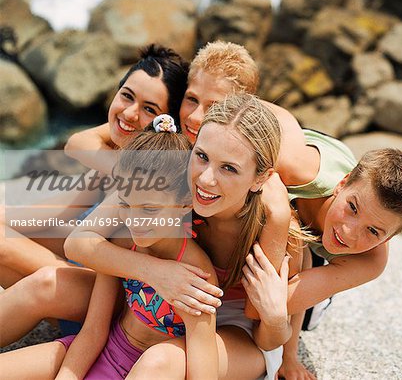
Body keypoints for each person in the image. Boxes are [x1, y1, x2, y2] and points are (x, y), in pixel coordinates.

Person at [62, 94, 292, 379]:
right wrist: (157, 272)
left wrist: (277, 319)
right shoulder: (173, 179)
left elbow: (265, 337)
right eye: (203, 156)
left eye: (229, 168)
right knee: (46, 284)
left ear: (260, 178)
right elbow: (78, 241)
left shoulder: (270, 217)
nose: (206, 179)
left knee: (159, 362)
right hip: (174, 312)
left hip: (237, 333)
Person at [0, 114, 219, 379]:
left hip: (141, 371)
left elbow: (202, 373)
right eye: (125, 204)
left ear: (185, 205)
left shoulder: (197, 277)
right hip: (94, 351)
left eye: (149, 209)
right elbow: (93, 330)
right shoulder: (122, 243)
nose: (134, 221)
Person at [0, 43, 189, 289]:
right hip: (85, 264)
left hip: (114, 291)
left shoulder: (148, 180)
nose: (130, 113)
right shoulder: (119, 157)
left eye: (149, 109)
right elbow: (61, 208)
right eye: (127, 96)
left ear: (166, 124)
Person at [242, 148, 402, 380]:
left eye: (373, 231)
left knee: (297, 258)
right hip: (305, 181)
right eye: (352, 207)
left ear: (389, 239)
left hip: (315, 251)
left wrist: (289, 355)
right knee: (292, 237)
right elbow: (191, 150)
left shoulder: (371, 260)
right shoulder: (296, 166)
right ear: (341, 184)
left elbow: (258, 307)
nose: (348, 232)